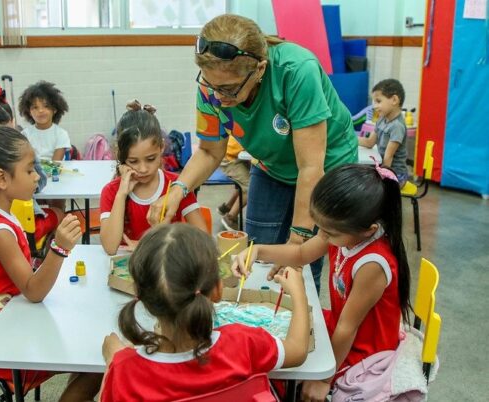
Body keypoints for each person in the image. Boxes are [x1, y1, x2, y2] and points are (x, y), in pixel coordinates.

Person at [148, 14, 358, 294]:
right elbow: (210, 152)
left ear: (259, 69)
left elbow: (310, 168)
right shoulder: (211, 88)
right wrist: (178, 189)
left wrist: (296, 245)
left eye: (229, 88)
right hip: (272, 166)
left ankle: (298, 325)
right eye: (211, 85)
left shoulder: (296, 71)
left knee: (301, 266)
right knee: (255, 254)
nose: (218, 96)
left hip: (325, 170)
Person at [0, 112, 100, 399]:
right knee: (95, 362)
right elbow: (34, 291)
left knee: (88, 350)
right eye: (29, 170)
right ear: (1, 178)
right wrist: (59, 248)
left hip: (12, 317)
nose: (37, 175)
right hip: (0, 336)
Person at [232, 163, 411, 402]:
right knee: (273, 347)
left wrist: (324, 379)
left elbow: (348, 328)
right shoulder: (343, 231)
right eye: (321, 229)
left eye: (329, 233)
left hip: (364, 350)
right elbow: (301, 254)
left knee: (287, 374)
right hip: (339, 328)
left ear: (369, 230)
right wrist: (257, 251)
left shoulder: (372, 264)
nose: (323, 236)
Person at [99, 223, 310, 401]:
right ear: (218, 290)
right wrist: (299, 294)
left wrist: (112, 361)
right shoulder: (243, 343)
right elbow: (297, 350)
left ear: (140, 294)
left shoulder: (125, 370)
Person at [99, 100, 207, 255]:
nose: (143, 169)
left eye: (150, 159)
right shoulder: (112, 191)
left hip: (167, 265)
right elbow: (110, 247)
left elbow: (203, 239)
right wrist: (121, 194)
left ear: (162, 147)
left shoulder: (177, 186)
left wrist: (148, 245)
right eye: (133, 161)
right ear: (121, 156)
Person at [0, 82, 62, 244]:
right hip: (22, 228)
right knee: (59, 212)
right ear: (12, 121)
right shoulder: (20, 145)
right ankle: (44, 258)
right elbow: (40, 182)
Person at [358, 78, 409, 187]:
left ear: (394, 100)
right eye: (374, 101)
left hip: (396, 173)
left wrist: (382, 181)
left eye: (378, 101)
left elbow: (388, 157)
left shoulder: (397, 126)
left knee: (368, 187)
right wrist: (349, 138)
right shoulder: (382, 119)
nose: (374, 106)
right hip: (382, 166)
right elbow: (369, 142)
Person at [18, 80, 71, 161]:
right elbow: (25, 161)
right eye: (35, 107)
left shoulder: (61, 134)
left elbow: (56, 163)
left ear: (55, 109)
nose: (41, 111)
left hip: (55, 172)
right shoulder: (25, 134)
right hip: (33, 172)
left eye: (46, 106)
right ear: (29, 112)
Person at [217, 135, 250, 231]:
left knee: (244, 182)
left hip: (233, 156)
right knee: (251, 188)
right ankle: (230, 217)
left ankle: (228, 207)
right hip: (229, 159)